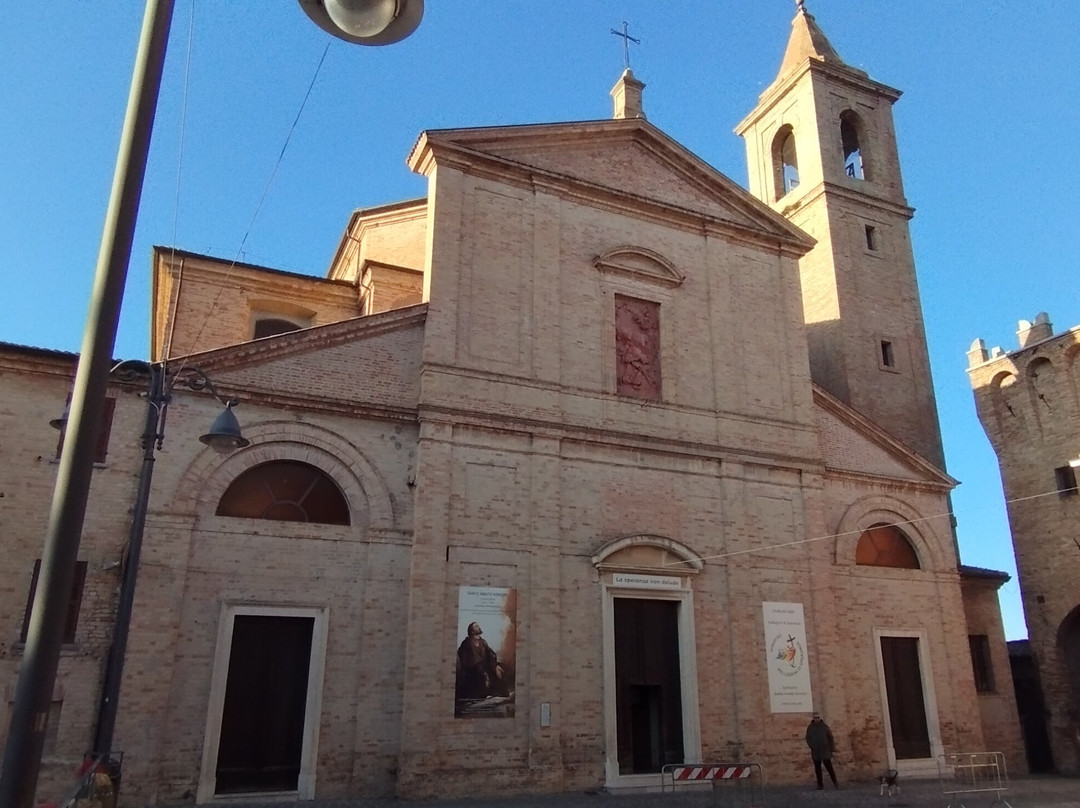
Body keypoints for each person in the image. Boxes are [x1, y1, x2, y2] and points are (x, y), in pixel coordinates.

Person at [455, 622, 502, 701]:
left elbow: (491, 653)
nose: (479, 627)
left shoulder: (483, 642)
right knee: (480, 678)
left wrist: (495, 666)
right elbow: (473, 659)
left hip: (483, 668)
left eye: (478, 625)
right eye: (476, 626)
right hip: (472, 671)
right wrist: (484, 674)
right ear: (472, 631)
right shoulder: (467, 642)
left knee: (501, 669)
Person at [805, 712, 839, 789]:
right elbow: (808, 738)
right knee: (817, 769)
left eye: (818, 717)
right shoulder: (810, 728)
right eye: (815, 718)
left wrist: (831, 749)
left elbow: (830, 738)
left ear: (820, 718)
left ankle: (835, 782)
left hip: (825, 750)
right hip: (816, 751)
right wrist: (812, 746)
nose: (817, 719)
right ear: (813, 718)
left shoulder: (825, 727)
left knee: (829, 768)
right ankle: (820, 785)